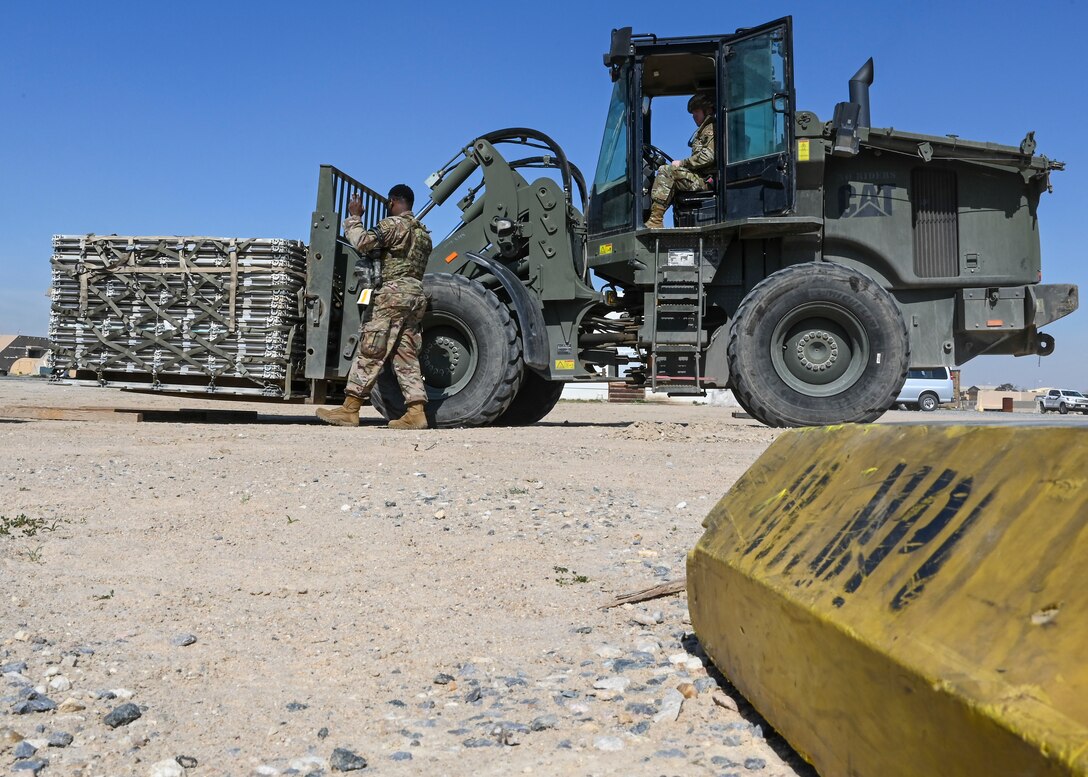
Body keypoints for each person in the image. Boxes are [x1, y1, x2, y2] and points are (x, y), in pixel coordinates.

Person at [316, 184, 432, 429]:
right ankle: (416, 411)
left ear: (392, 202)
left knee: (372, 348)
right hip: (415, 295)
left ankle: (350, 409)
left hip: (392, 295)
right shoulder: (424, 234)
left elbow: (362, 242)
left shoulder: (393, 225)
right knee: (406, 353)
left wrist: (354, 217)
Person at [644, 93, 716, 229]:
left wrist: (682, 163)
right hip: (701, 178)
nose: (694, 116)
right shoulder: (704, 130)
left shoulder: (711, 129)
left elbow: (708, 157)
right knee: (669, 174)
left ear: (707, 110)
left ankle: (655, 220)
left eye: (696, 112)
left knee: (667, 171)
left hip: (705, 181)